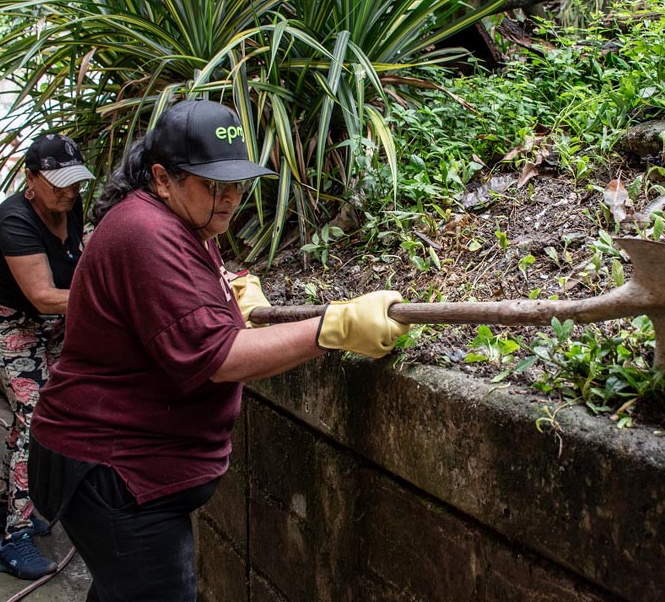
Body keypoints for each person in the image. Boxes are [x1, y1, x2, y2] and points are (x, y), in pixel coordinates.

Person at [28, 100, 409, 600]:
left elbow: (189, 309)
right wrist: (331, 327)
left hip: (132, 470)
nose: (230, 198)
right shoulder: (144, 232)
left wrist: (235, 300)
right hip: (115, 471)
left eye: (237, 184)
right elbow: (219, 358)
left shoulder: (186, 221)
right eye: (214, 185)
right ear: (163, 178)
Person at [0, 133, 95, 580]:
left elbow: (76, 260)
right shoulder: (14, 221)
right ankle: (15, 537)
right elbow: (44, 296)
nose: (69, 191)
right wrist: (109, 294)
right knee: (38, 412)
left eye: (76, 182)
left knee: (34, 414)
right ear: (30, 177)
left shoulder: (69, 205)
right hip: (10, 323)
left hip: (51, 325)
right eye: (58, 182)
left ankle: (2, 507)